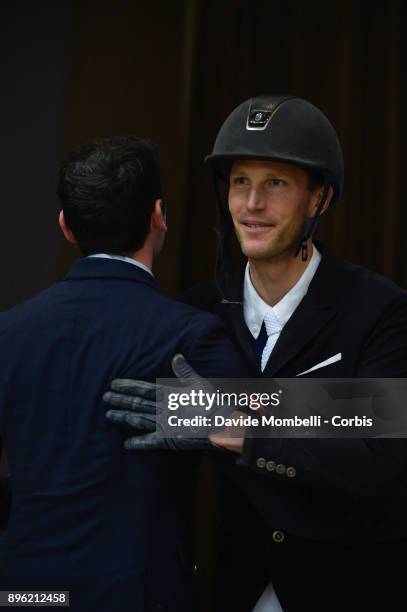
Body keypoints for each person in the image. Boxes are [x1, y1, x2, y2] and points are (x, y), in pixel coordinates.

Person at [104, 97, 407, 611]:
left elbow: (378, 460)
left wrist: (229, 423)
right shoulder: (196, 313)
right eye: (241, 182)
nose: (251, 205)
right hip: (228, 589)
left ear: (320, 200)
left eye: (276, 184)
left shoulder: (382, 311)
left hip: (350, 588)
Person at [0, 136, 247, 611]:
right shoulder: (191, 336)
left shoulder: (8, 335)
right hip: (138, 595)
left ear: (66, 226)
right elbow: (271, 428)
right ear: (160, 216)